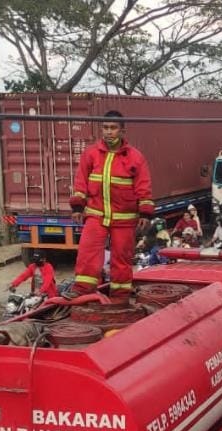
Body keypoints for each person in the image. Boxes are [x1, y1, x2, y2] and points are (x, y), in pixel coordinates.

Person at [67, 110, 154, 302]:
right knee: (87, 253)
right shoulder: (90, 154)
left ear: (122, 131)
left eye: (113, 128)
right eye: (105, 128)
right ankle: (82, 291)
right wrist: (77, 207)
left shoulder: (135, 157)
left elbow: (143, 187)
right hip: (96, 215)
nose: (108, 132)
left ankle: (120, 297)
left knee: (121, 259)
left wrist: (145, 213)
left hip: (124, 219)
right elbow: (80, 181)